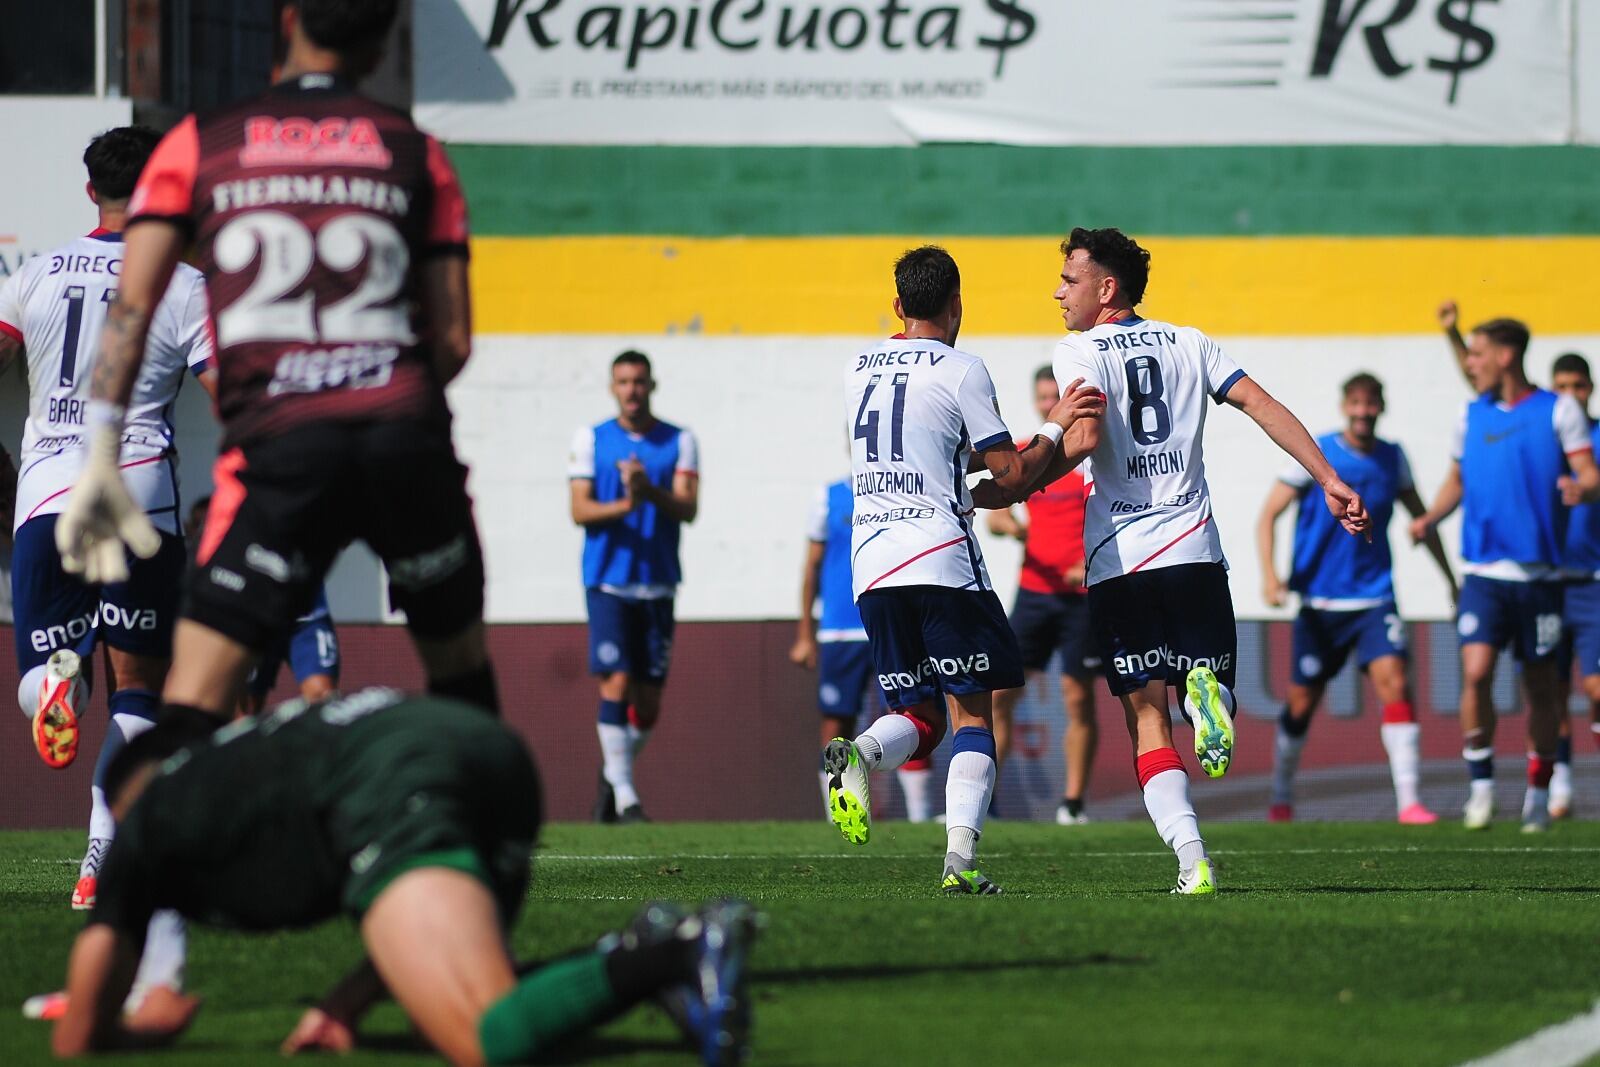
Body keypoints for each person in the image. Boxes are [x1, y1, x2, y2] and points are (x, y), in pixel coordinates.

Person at [51, 0, 499, 737]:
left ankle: (173, 804)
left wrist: (101, 450)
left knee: (187, 715)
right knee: (464, 685)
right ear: (379, 46)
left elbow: (131, 305)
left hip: (280, 450)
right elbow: (452, 341)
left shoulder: (200, 143)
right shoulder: (416, 149)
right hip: (402, 439)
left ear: (288, 21)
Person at [48, 689, 760, 1066]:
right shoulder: (238, 763)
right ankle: (640, 953)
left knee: (486, 1037)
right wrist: (346, 1004)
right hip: (480, 747)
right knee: (459, 1011)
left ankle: (680, 950)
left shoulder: (149, 814)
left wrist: (141, 1034)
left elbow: (77, 1035)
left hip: (393, 778)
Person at [1050, 227, 1370, 893]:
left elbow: (1083, 436)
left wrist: (1020, 473)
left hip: (1120, 560)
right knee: (1204, 684)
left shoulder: (1079, 350)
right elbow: (1259, 403)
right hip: (1193, 550)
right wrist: (1328, 477)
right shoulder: (1189, 341)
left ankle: (1192, 860)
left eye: (1069, 280)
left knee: (1146, 717)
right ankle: (1210, 697)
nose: (1058, 292)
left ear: (1106, 288)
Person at [823, 245, 1105, 895]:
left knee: (918, 719)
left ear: (897, 305)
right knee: (972, 718)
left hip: (873, 567)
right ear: (957, 304)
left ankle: (859, 753)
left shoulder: (857, 367)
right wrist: (1054, 427)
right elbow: (1011, 474)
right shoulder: (962, 369)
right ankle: (960, 862)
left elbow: (925, 449)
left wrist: (977, 463)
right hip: (940, 560)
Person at [0, 126, 215, 912]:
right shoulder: (185, 284)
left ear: (90, 190)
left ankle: (58, 684)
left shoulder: (34, 274)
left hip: (48, 492)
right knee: (139, 691)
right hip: (138, 491)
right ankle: (99, 860)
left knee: (43, 678)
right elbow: (229, 392)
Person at [1422, 306, 1600, 830]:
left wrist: (1582, 487)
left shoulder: (1558, 411)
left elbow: (1589, 473)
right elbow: (1456, 481)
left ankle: (1539, 795)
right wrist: (1430, 517)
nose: (1469, 363)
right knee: (1476, 673)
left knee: (1541, 689)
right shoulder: (1469, 415)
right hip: (1483, 574)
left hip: (1541, 579)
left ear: (1504, 357)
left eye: (1477, 354)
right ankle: (1480, 788)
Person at [1256, 372, 1456, 824]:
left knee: (1395, 684)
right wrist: (1270, 576)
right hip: (1320, 603)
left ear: (1380, 407)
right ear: (1345, 406)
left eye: (1371, 404)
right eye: (1356, 404)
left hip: (1374, 598)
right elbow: (1268, 515)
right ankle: (1281, 793)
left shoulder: (1392, 458)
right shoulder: (1317, 454)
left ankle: (1409, 801)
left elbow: (1421, 520)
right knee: (1301, 703)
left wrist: (1449, 578)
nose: (1363, 412)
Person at [569, 350, 699, 824]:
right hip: (608, 580)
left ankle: (613, 774)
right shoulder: (592, 439)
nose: (632, 390)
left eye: (639, 382)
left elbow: (687, 508)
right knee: (616, 681)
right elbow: (580, 510)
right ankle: (627, 799)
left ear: (651, 386)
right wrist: (627, 503)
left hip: (658, 582)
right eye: (623, 382)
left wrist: (648, 491)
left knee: (647, 704)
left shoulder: (679, 440)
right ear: (612, 388)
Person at [987, 366, 1100, 825]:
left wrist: (1089, 562)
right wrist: (1011, 527)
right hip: (1034, 592)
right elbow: (995, 513)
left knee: (1077, 697)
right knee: (1000, 695)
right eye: (1043, 397)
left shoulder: (1090, 453)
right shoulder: (1027, 453)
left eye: (1055, 395)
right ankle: (986, 800)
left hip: (1082, 598)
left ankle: (1073, 803)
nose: (1048, 403)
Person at [790, 476, 931, 822]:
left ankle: (921, 818)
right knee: (836, 722)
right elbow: (812, 566)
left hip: (893, 625)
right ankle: (839, 817)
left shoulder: (905, 489)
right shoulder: (829, 496)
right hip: (840, 630)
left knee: (910, 714)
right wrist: (805, 632)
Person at [185, 495, 341, 716]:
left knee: (322, 696)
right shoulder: (235, 516)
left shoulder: (311, 493)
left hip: (306, 618)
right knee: (247, 710)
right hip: (257, 617)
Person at [1547, 353, 1600, 817]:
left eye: (1577, 386)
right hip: (1547, 583)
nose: (1570, 395)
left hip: (1593, 584)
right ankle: (1560, 784)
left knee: (1597, 687)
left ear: (1591, 389)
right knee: (1553, 689)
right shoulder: (1542, 437)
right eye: (1561, 386)